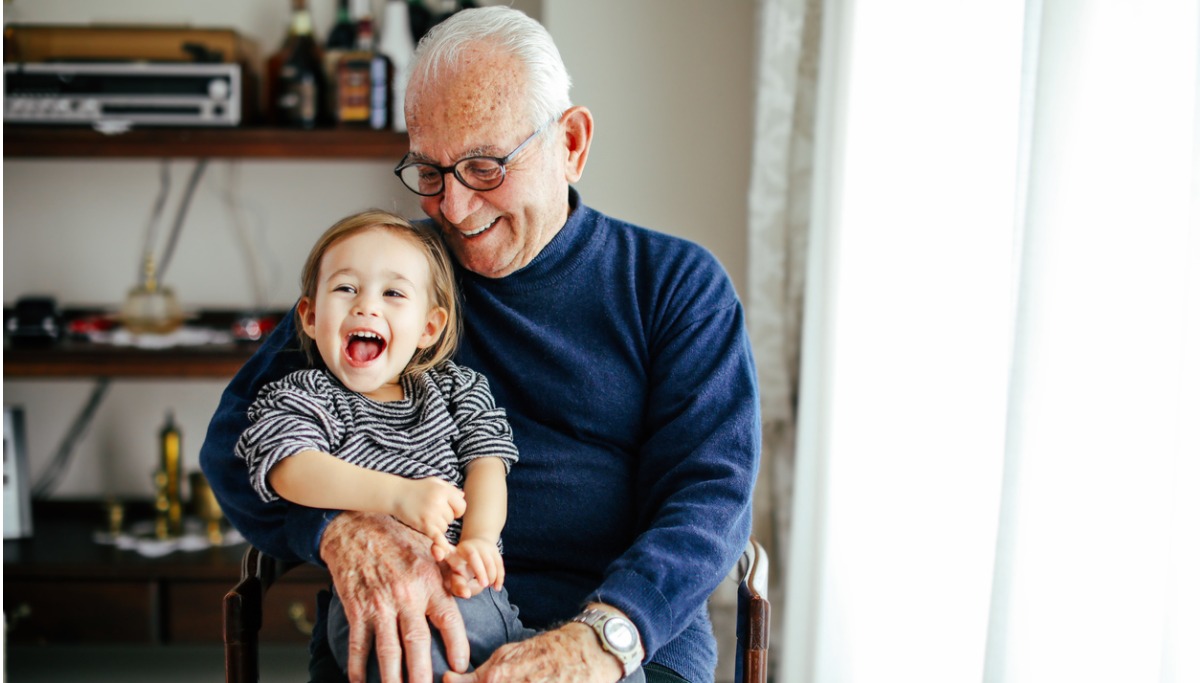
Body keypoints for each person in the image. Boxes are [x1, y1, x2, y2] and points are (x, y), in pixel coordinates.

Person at [200, 6, 761, 683]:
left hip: (618, 636)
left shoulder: (675, 284)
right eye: (430, 172)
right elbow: (238, 437)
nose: (455, 210)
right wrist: (334, 528)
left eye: (485, 166)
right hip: (416, 627)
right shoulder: (393, 279)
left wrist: (599, 640)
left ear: (572, 143)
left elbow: (709, 496)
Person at [232, 210, 535, 681]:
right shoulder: (305, 395)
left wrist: (477, 539)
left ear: (429, 328)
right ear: (310, 317)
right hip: (371, 602)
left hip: (472, 591)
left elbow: (488, 467)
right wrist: (397, 496)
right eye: (345, 288)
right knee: (409, 662)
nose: (366, 307)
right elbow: (289, 467)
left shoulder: (457, 389)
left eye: (393, 293)